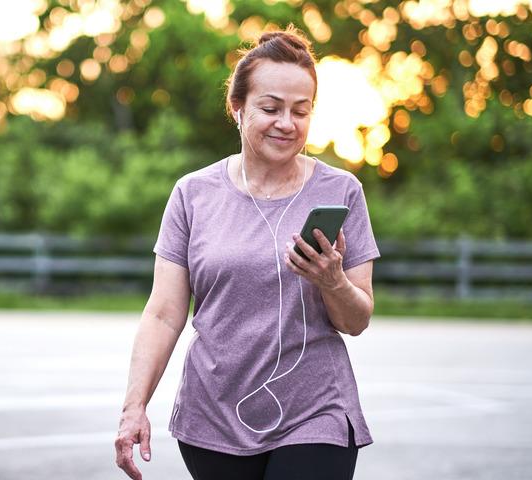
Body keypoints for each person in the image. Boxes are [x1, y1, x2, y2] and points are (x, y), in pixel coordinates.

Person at [114, 25, 380, 480]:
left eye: (301, 111)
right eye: (270, 108)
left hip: (316, 411)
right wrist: (133, 407)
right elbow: (163, 313)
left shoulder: (341, 191)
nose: (287, 123)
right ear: (237, 109)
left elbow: (356, 320)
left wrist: (331, 280)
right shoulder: (192, 194)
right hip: (214, 414)